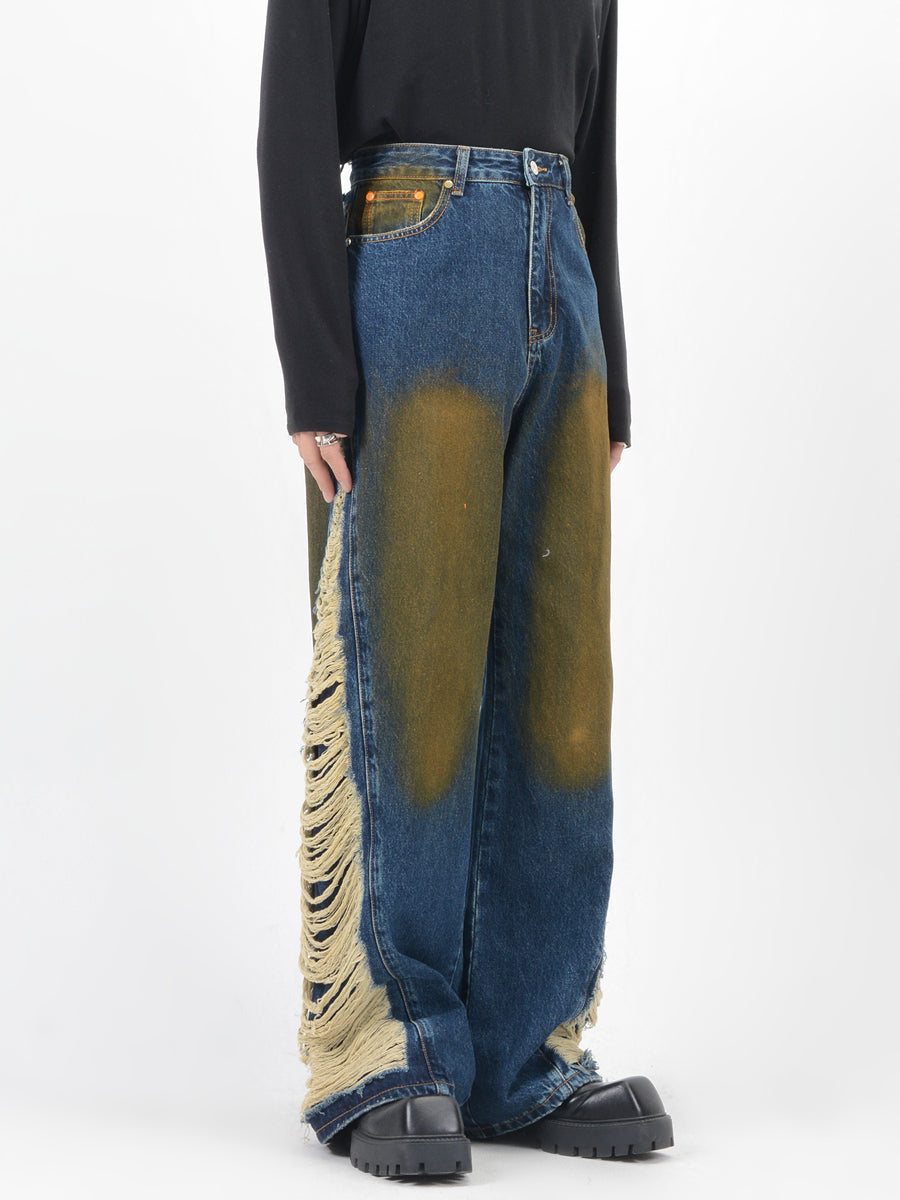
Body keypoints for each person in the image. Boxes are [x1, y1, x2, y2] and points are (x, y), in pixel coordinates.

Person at [256, 0, 674, 1177]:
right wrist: (315, 370)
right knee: (415, 671)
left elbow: (595, 139)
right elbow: (292, 114)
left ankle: (525, 1056)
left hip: (560, 258)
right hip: (414, 241)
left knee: (561, 689)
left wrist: (611, 368)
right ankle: (386, 1050)